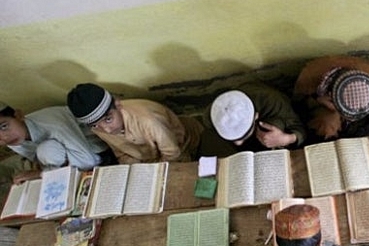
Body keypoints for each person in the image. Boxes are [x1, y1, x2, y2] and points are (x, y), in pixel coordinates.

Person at [67, 83, 203, 164]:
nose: (106, 130)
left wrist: (154, 171)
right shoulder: (99, 128)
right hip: (149, 161)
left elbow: (173, 153)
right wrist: (136, 169)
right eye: (95, 125)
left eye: (108, 119)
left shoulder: (147, 121)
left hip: (183, 147)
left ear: (118, 104)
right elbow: (121, 153)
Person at [0, 101, 110, 183]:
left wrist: (41, 174)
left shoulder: (52, 125)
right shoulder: (13, 140)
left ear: (18, 115)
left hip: (95, 151)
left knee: (46, 150)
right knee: (45, 153)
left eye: (4, 126)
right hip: (68, 157)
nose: (4, 137)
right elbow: (38, 159)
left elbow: (88, 161)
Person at [293, 55, 369, 140]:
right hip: (321, 103)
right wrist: (317, 100)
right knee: (326, 125)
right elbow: (300, 103)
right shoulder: (312, 83)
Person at [203, 82, 306, 153]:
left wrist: (286, 139)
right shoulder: (212, 114)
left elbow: (300, 129)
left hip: (270, 117)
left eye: (243, 136)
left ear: (255, 116)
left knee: (277, 124)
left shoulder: (273, 102)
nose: (238, 143)